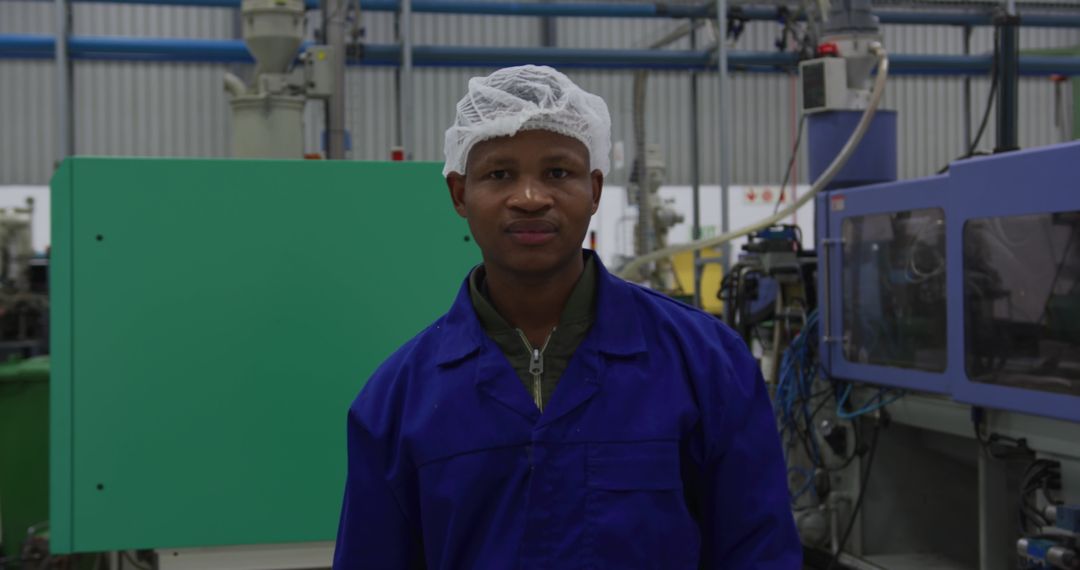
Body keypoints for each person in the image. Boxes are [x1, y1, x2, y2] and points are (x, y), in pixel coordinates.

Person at [333, 65, 801, 569]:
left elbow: (758, 552)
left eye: (558, 172)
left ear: (595, 190)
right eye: (499, 174)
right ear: (459, 194)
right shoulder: (396, 402)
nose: (530, 198)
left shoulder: (708, 366)